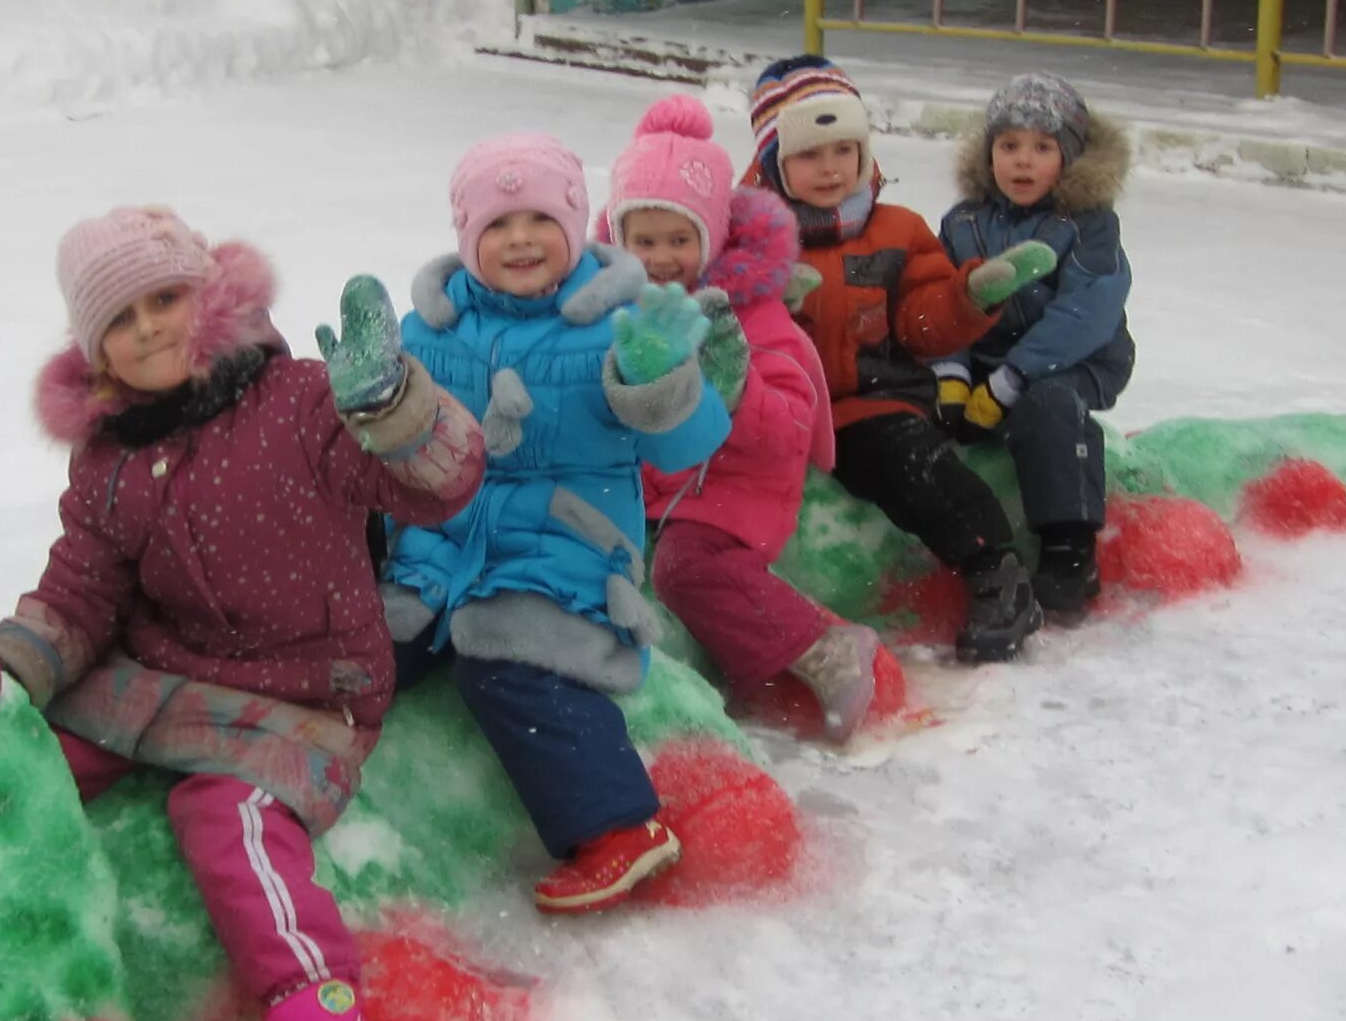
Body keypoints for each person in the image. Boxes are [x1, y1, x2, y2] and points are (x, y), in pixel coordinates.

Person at [0, 206, 485, 1021]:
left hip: (303, 695)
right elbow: (80, 591)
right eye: (122, 320)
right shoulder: (109, 462)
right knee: (28, 762)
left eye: (165, 298)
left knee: (229, 818)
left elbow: (443, 483)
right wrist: (11, 672)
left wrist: (393, 410)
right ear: (97, 355)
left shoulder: (304, 402)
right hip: (155, 680)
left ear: (211, 294)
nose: (150, 329)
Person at [382, 131, 735, 912]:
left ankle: (618, 825)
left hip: (567, 540)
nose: (519, 240)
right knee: (372, 648)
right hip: (444, 537)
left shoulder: (622, 322)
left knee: (508, 663)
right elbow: (400, 444)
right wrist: (375, 405)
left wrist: (659, 377)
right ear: (467, 236)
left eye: (539, 220)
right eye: (497, 225)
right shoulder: (430, 330)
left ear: (576, 229)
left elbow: (691, 445)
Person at [741, 54, 1056, 664]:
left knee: (913, 462)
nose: (830, 168)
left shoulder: (898, 230)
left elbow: (921, 324)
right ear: (774, 163)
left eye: (843, 149)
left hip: (869, 403)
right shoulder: (748, 238)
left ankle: (997, 570)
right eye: (809, 154)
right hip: (770, 406)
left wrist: (970, 297)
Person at [597, 95, 877, 743]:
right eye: (644, 239)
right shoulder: (615, 309)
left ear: (714, 235)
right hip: (650, 486)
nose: (662, 257)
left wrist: (735, 387)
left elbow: (787, 428)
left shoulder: (748, 314)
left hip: (729, 489)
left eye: (680, 239)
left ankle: (823, 649)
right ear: (617, 238)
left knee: (684, 569)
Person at [935, 73, 1136, 621]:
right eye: (1009, 146)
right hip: (985, 358)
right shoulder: (963, 223)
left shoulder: (1089, 225)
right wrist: (951, 373)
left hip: (1075, 359)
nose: (1023, 161)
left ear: (1069, 158)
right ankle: (964, 547)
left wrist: (1011, 380)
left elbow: (1087, 311)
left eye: (1042, 148)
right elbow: (939, 297)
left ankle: (1069, 544)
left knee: (1047, 408)